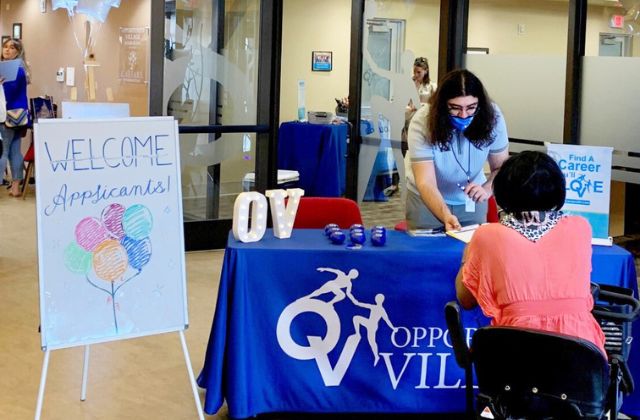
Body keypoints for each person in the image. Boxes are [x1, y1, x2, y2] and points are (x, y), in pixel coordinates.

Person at [455, 151, 606, 356]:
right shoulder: (581, 228)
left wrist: (468, 255)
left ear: (502, 192)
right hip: (581, 357)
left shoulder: (486, 236)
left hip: (515, 355)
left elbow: (466, 300)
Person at [405, 69, 509, 230]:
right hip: (426, 200)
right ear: (442, 105)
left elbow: (501, 167)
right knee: (428, 252)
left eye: (471, 107)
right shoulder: (422, 121)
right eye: (455, 108)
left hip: (471, 200)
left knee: (470, 252)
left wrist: (487, 189)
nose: (463, 115)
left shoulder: (493, 117)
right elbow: (426, 182)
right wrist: (445, 215)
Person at [0, 38, 30, 197]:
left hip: (6, 116)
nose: (7, 50)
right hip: (19, 117)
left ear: (18, 51)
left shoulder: (10, 71)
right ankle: (16, 187)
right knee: (14, 151)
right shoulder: (22, 69)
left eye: (12, 48)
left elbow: (7, 95)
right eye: (5, 47)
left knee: (2, 152)